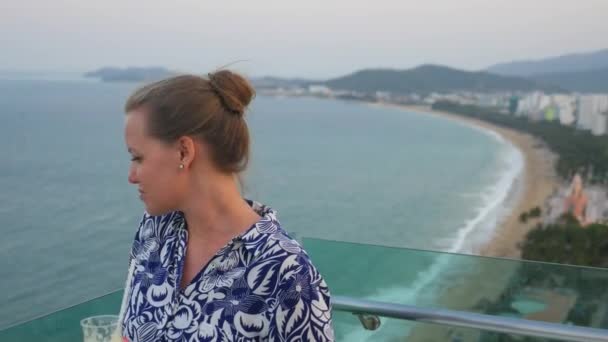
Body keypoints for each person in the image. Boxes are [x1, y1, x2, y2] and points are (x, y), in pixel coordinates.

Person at [117, 70, 334, 341]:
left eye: (137, 157)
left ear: (184, 151)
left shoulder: (288, 275)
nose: (131, 175)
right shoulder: (153, 232)